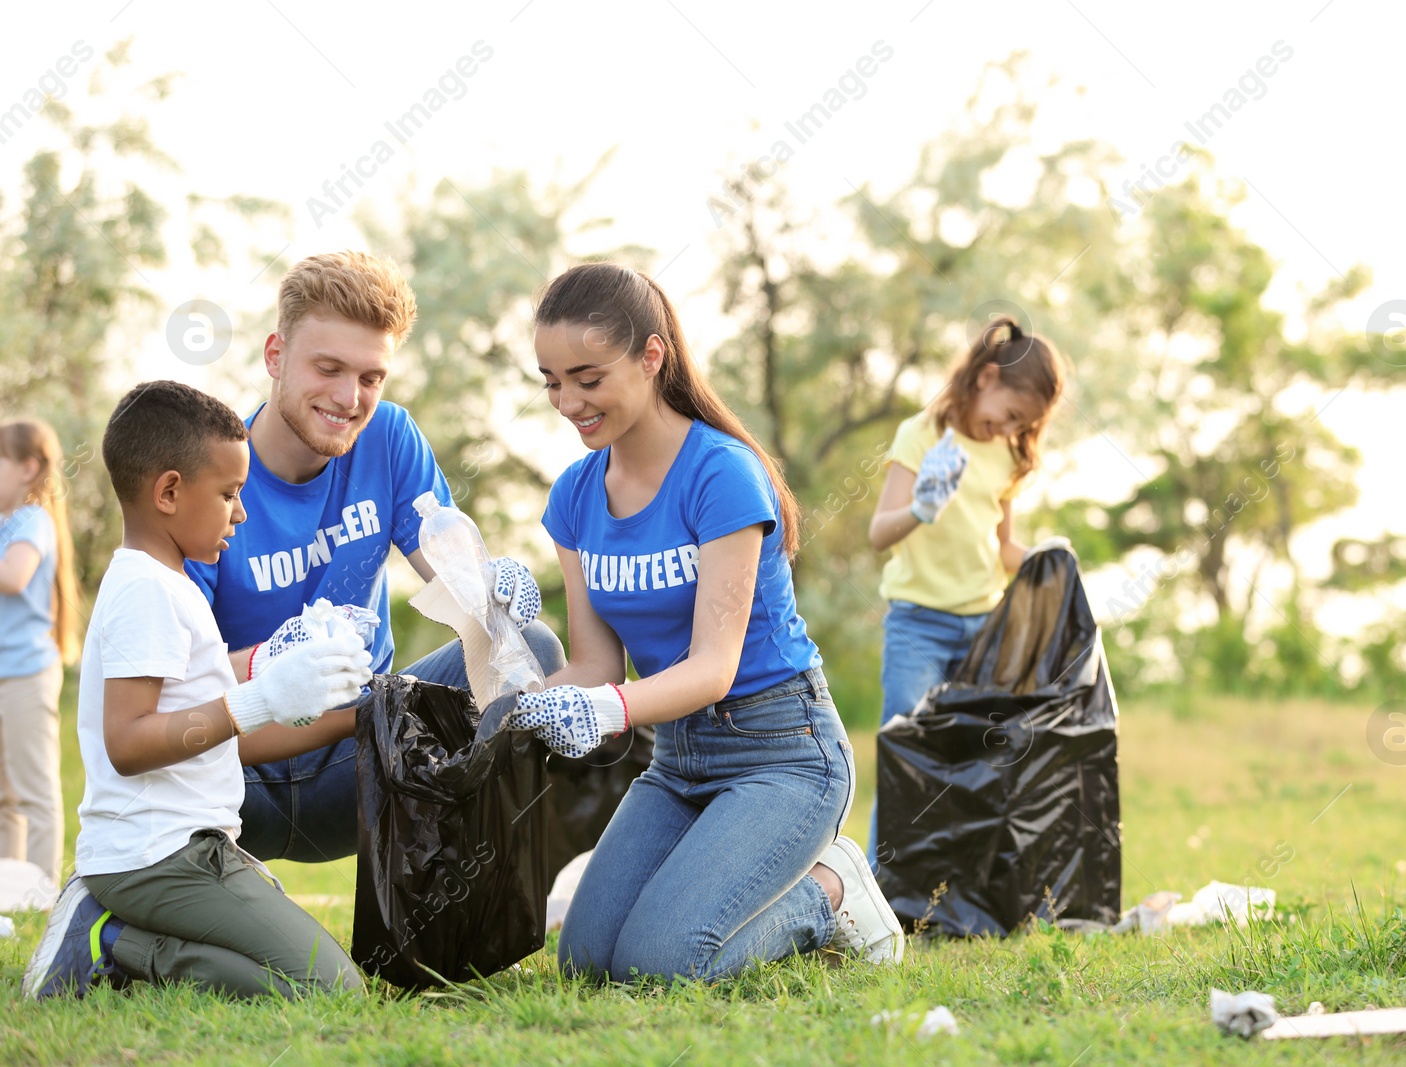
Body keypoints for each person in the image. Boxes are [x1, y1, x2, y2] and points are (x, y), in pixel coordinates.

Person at [504, 262, 903, 982]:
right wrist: (506, 676)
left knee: (662, 963)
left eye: (588, 378)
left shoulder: (720, 474)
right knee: (587, 962)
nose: (568, 401)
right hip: (678, 759)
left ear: (652, 357)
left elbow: (712, 666)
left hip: (783, 750)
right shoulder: (574, 497)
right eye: (552, 380)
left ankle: (831, 891)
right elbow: (596, 664)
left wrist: (599, 709)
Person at [182, 250, 564, 863]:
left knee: (532, 645)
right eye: (328, 368)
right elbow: (177, 690)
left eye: (369, 377)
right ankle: (120, 900)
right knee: (159, 739)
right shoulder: (212, 475)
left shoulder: (388, 437)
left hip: (360, 762)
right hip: (236, 771)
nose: (348, 397)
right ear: (275, 356)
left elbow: (456, 576)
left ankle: (456, 911)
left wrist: (490, 588)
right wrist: (271, 664)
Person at [24, 381, 373, 999]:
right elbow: (128, 743)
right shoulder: (144, 591)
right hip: (155, 858)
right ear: (168, 492)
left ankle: (130, 932)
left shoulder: (172, 583)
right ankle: (112, 944)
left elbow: (228, 740)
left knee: (314, 974)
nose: (241, 512)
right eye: (230, 494)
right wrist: (259, 698)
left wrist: (358, 718)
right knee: (330, 990)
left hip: (187, 850)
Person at [866, 317, 1066, 868]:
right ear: (985, 377)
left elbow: (1004, 550)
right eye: (1010, 413)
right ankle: (880, 884)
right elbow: (880, 533)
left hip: (984, 627)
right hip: (919, 627)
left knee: (985, 755)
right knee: (906, 746)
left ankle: (967, 880)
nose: (1009, 428)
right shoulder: (922, 435)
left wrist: (1052, 562)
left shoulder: (1007, 456)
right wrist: (920, 510)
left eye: (1023, 423)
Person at [0, 418, 81, 888]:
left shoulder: (32, 518)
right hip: (6, 671)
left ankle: (43, 890)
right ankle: (12, 886)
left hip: (27, 673)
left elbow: (13, 577)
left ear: (28, 468)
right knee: (4, 796)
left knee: (34, 790)